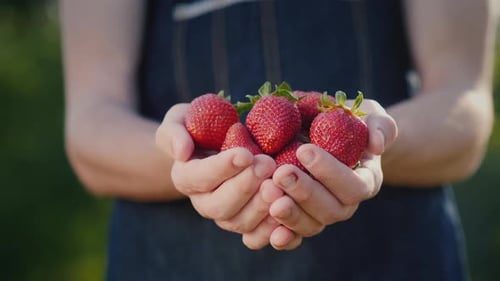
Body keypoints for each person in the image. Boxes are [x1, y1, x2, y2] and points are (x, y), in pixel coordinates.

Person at [60, 0, 498, 280]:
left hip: (393, 258)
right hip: (171, 262)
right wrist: (191, 158)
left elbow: (464, 108)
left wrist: (370, 144)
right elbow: (90, 128)